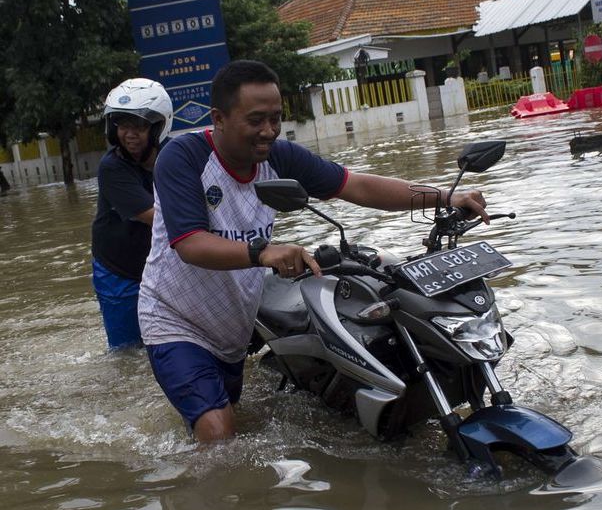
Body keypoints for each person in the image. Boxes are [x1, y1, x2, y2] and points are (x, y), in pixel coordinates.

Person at [138, 59, 488, 443]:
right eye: (255, 120)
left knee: (226, 420)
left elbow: (356, 186)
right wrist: (264, 252)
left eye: (276, 118)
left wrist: (445, 197)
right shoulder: (182, 158)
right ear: (219, 118)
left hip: (233, 322)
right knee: (219, 434)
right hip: (175, 320)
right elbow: (190, 244)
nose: (268, 131)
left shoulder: (278, 156)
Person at [91, 78, 173, 349]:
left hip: (163, 266)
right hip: (119, 270)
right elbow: (156, 216)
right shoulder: (112, 167)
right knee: (127, 352)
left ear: (158, 126)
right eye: (123, 125)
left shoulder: (176, 156)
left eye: (138, 126)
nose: (129, 134)